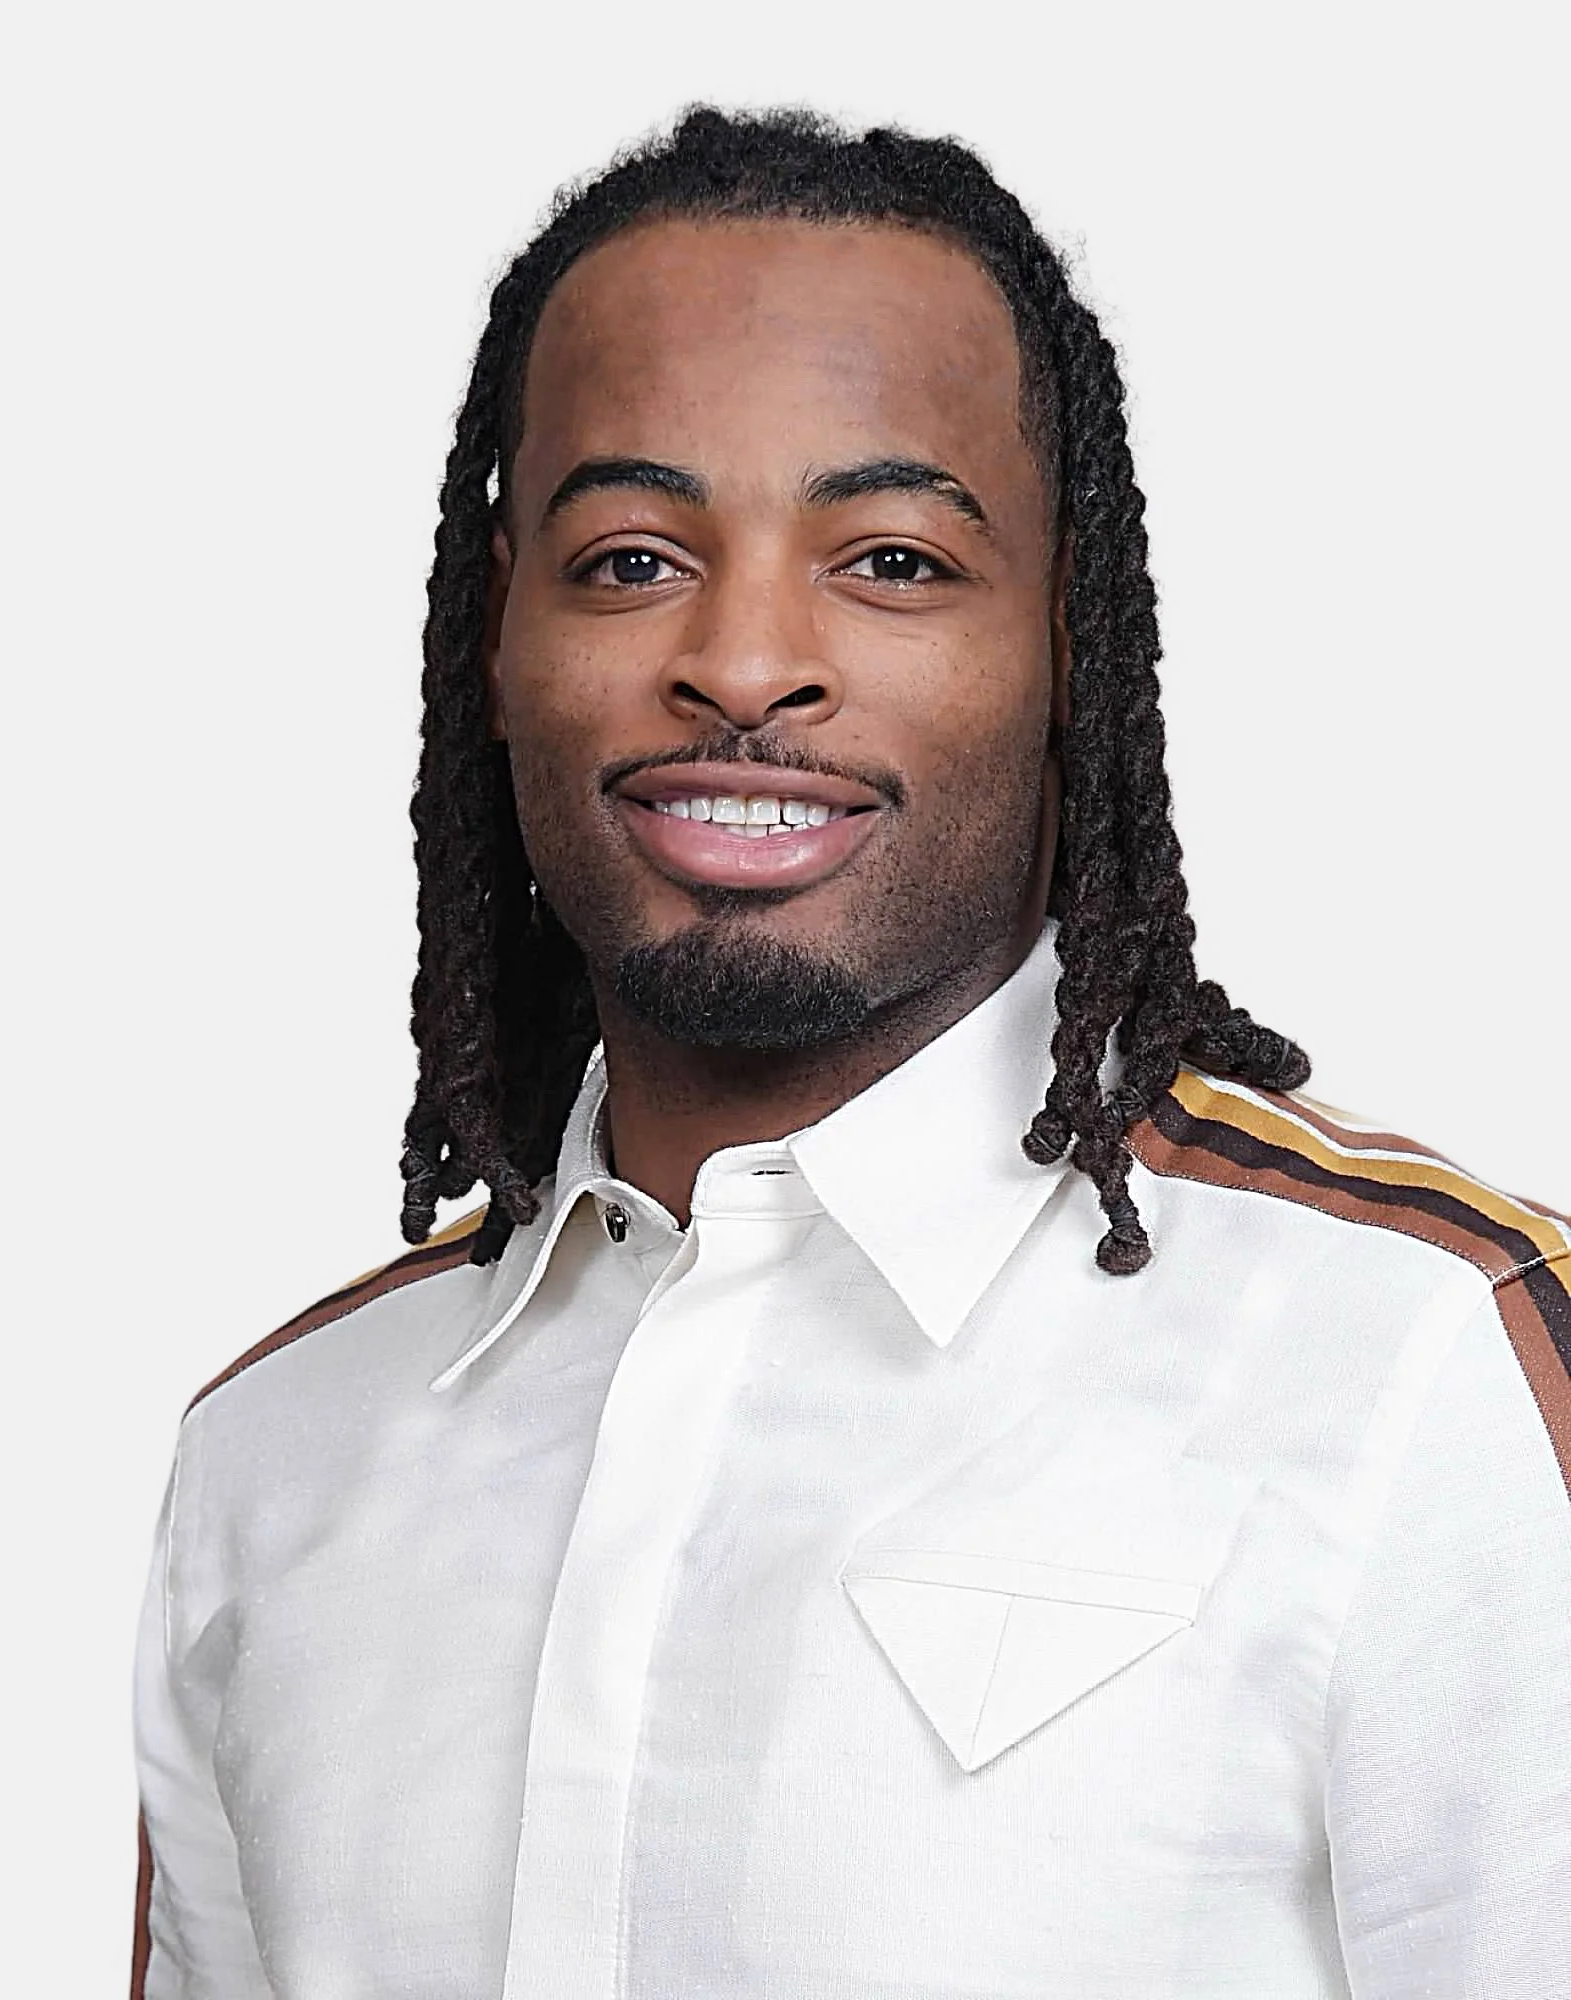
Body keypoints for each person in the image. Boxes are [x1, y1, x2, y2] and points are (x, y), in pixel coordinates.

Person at [130, 106, 1571, 1998]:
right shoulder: (276, 1457)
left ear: (1073, 638)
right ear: (496, 636)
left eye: (888, 559)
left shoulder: (1427, 1366)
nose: (742, 662)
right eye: (634, 557)